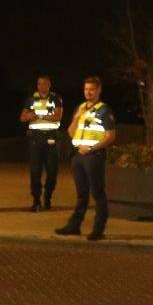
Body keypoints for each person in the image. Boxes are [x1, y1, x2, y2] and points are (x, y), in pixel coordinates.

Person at [55, 76, 117, 241]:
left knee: (97, 193)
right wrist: (76, 118)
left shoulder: (104, 110)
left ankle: (98, 229)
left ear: (98, 91)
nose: (88, 92)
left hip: (93, 156)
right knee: (81, 194)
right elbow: (70, 132)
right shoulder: (80, 108)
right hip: (78, 156)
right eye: (86, 89)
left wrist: (91, 147)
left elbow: (111, 136)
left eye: (91, 89)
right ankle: (74, 226)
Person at [19, 75, 64, 211]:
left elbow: (58, 116)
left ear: (49, 85)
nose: (41, 86)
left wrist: (40, 116)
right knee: (35, 172)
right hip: (35, 139)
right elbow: (22, 117)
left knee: (52, 172)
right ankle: (36, 200)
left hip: (51, 138)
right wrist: (28, 116)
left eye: (44, 84)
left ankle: (48, 197)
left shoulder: (56, 99)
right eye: (39, 84)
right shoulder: (31, 99)